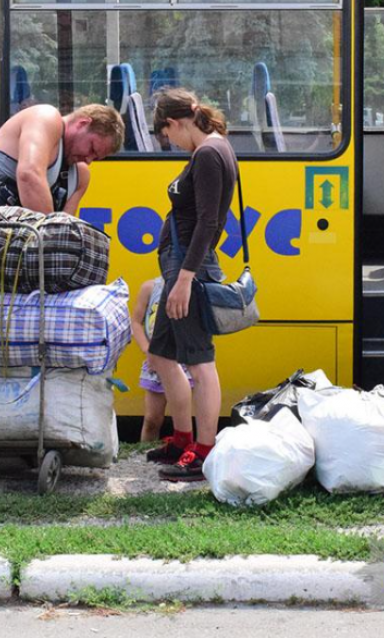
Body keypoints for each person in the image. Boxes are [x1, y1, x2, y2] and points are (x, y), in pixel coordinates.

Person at [0, 102, 124, 294]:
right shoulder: (45, 117)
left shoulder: (80, 176)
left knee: (14, 320)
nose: (88, 160)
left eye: (96, 158)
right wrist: (52, 246)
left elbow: (66, 230)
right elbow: (29, 175)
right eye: (91, 148)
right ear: (82, 123)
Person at [143, 88, 238, 482]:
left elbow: (209, 223)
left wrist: (184, 278)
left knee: (199, 360)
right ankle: (183, 438)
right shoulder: (208, 152)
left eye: (167, 136)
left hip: (188, 271)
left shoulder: (210, 154)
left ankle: (205, 450)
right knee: (161, 352)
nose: (170, 143)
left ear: (174, 122)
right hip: (178, 269)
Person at [129, 277, 195, 443]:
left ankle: (184, 453)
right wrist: (148, 350)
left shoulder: (195, 287)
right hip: (156, 360)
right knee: (152, 419)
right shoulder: (150, 288)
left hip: (185, 362)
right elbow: (136, 322)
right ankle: (144, 455)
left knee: (182, 419)